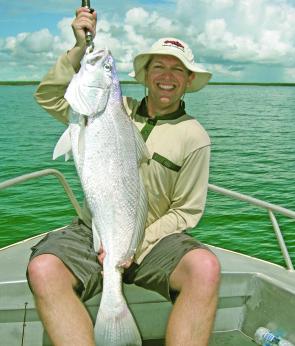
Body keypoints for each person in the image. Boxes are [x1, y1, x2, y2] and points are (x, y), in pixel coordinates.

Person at [27, 6, 220, 346]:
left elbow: (186, 212)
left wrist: (133, 244)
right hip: (93, 230)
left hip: (154, 241)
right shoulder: (108, 108)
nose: (167, 75)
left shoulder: (195, 137)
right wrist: (78, 48)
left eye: (178, 70)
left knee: (205, 268)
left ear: (189, 81)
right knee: (43, 269)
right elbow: (47, 95)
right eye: (158, 66)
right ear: (145, 75)